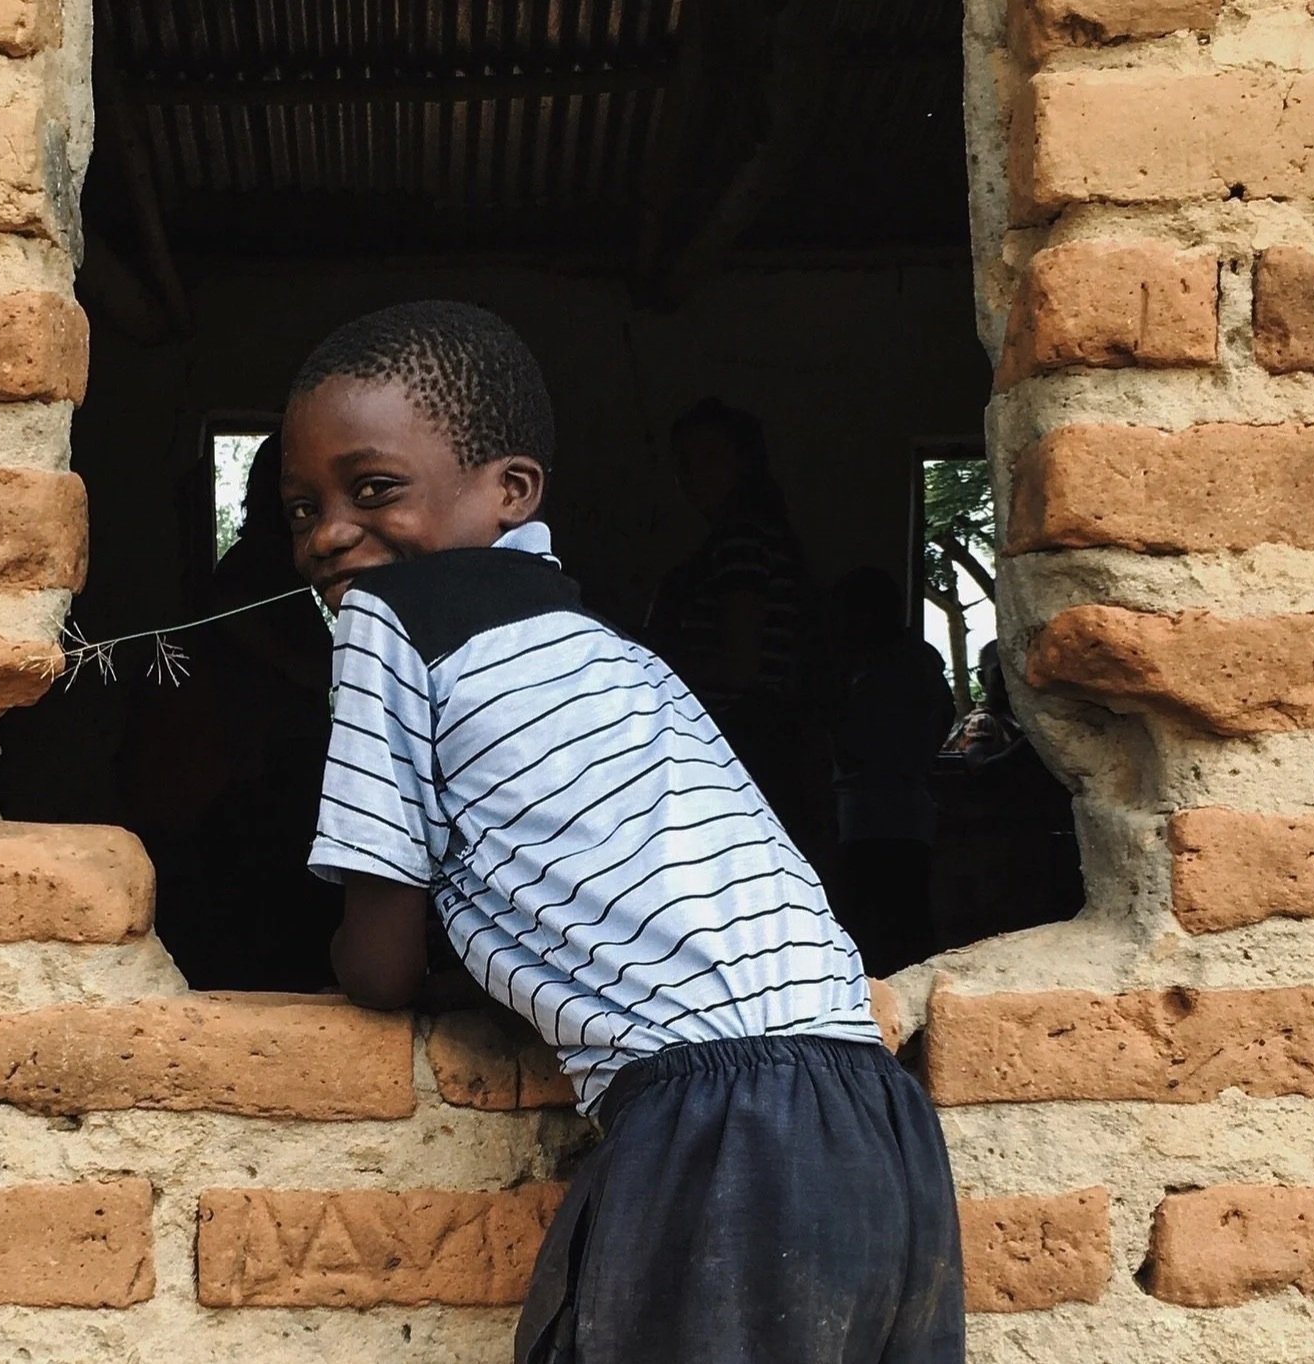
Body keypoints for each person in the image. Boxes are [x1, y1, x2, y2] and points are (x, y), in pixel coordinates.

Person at [279, 300, 964, 1364]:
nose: (327, 531)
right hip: (875, 1119)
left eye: (373, 489)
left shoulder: (390, 616)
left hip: (722, 1136)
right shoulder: (622, 657)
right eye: (298, 507)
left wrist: (373, 962)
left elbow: (377, 961)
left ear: (510, 491)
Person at [117, 435, 342, 992]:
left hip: (256, 775)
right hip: (250, 776)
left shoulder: (264, 568)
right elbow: (294, 662)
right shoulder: (255, 569)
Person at [642, 398, 829, 862]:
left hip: (744, 747)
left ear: (743, 465)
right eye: (684, 463)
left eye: (708, 460)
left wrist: (657, 665)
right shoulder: (766, 538)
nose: (692, 476)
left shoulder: (741, 542)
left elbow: (739, 663)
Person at [827, 567, 957, 977]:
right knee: (902, 918)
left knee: (875, 922)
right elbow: (944, 714)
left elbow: (855, 736)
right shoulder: (917, 662)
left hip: (875, 808)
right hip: (902, 807)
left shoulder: (879, 667)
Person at [929, 641, 1085, 949]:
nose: (1006, 679)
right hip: (990, 838)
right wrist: (1025, 751)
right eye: (998, 672)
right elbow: (977, 767)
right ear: (983, 678)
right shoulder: (985, 721)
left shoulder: (1022, 722)